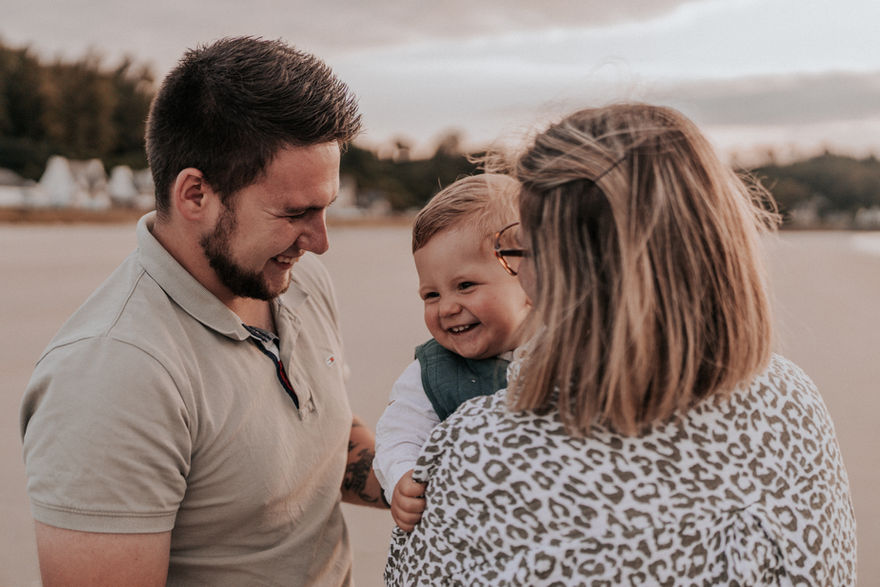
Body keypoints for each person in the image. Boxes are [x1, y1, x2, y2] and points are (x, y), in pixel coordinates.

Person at [385, 103, 857, 585]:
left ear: (570, 265)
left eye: (520, 246)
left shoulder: (483, 449)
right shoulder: (794, 401)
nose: (516, 268)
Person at [20, 36, 386, 586]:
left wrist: (457, 480)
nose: (320, 241)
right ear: (195, 195)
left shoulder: (297, 281)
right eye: (296, 212)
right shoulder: (114, 374)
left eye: (325, 208)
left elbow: (323, 442)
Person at [373, 174, 531, 531]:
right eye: (431, 295)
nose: (446, 308)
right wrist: (402, 476)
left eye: (465, 286)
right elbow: (399, 433)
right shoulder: (431, 372)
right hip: (475, 541)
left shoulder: (572, 347)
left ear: (528, 275)